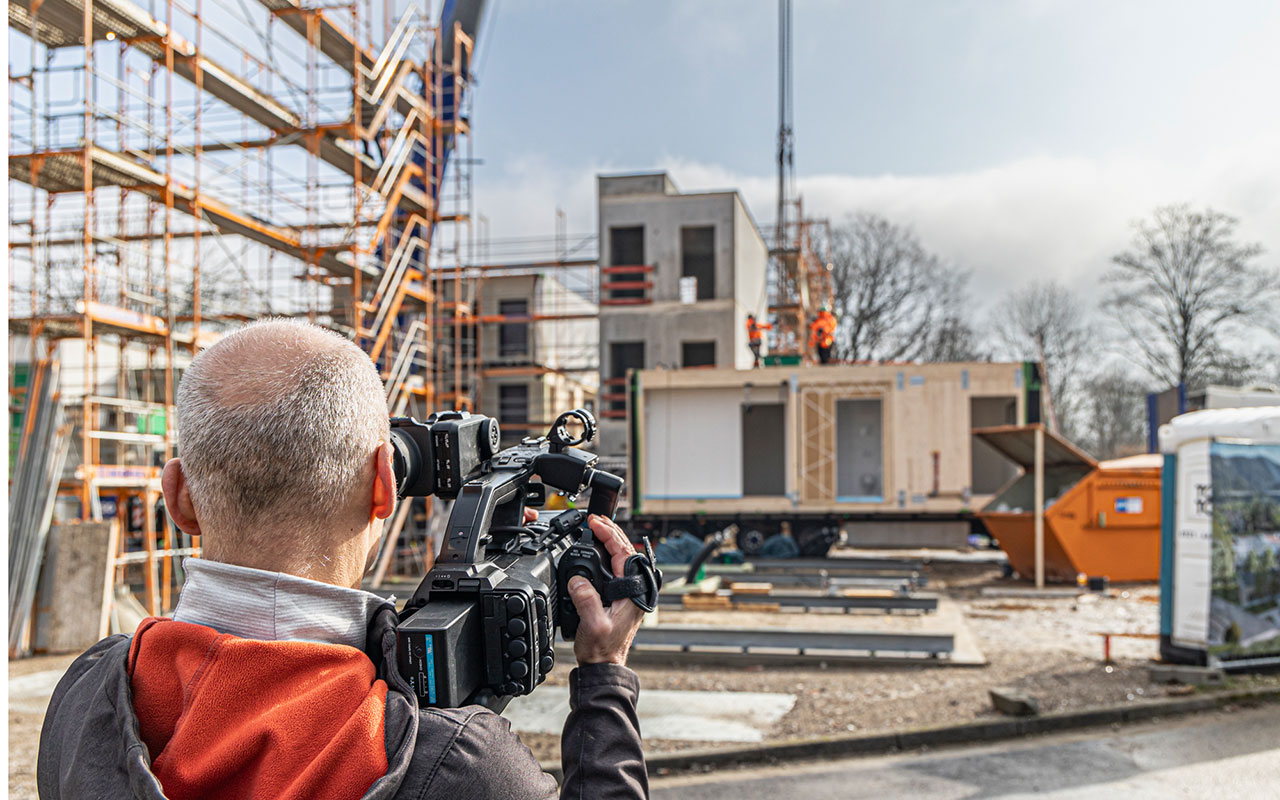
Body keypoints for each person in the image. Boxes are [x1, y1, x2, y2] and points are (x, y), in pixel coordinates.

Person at [37, 319, 649, 800]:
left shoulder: (84, 699)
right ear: (386, 486)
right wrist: (604, 678)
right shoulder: (461, 769)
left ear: (177, 497)